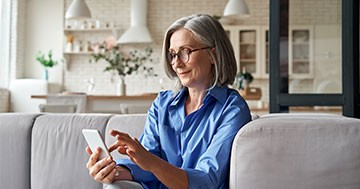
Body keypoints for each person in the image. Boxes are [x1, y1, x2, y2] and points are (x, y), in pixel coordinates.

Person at [86, 14, 251, 189]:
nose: (176, 63)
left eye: (185, 52)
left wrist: (151, 162)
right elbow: (146, 165)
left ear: (213, 55)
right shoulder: (162, 104)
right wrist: (113, 171)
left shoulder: (232, 109)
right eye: (172, 54)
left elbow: (207, 180)